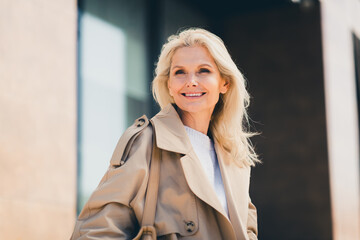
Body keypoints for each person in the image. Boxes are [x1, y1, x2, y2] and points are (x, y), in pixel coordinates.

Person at [71, 28, 260, 240]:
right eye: (179, 72)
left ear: (224, 83)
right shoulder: (147, 141)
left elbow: (248, 231)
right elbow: (97, 230)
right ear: (169, 85)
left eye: (203, 70)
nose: (191, 81)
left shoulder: (233, 156)